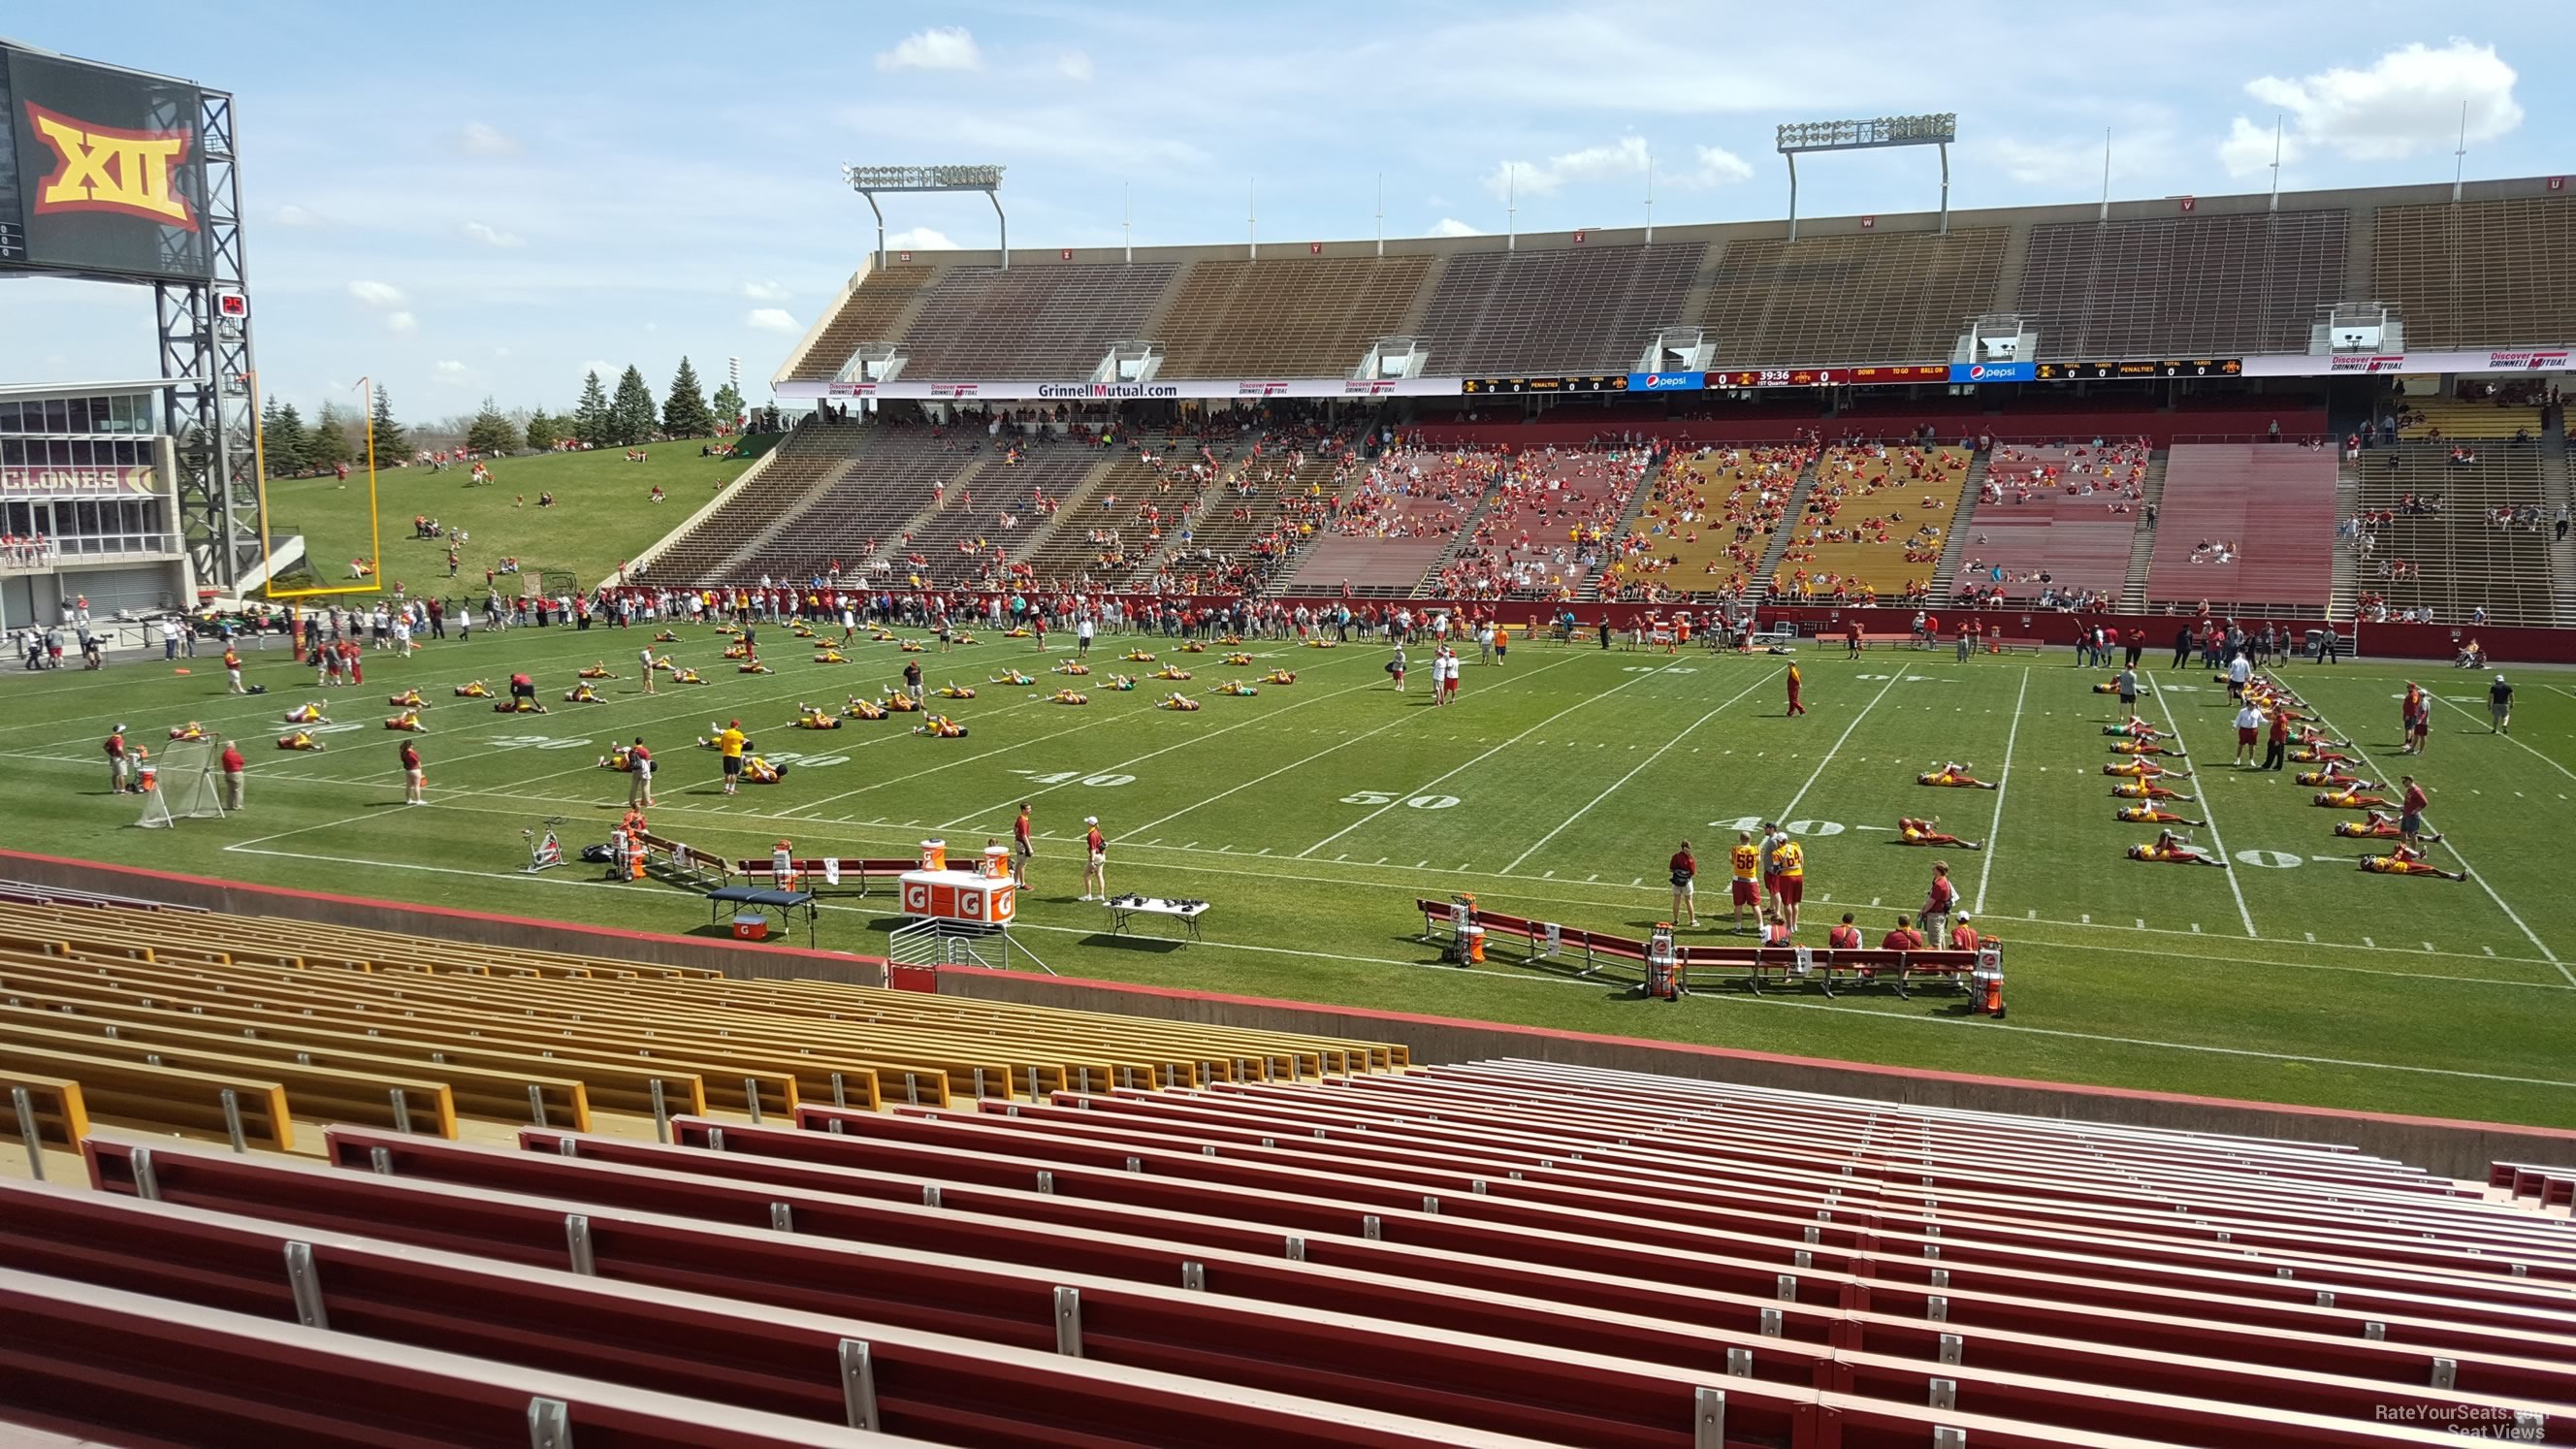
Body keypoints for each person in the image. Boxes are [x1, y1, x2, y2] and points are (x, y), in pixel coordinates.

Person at [2360, 843, 2465, 880]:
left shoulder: (2378, 862)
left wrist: (2398, 849)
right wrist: (2400, 851)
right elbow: (2393, 861)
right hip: (2406, 867)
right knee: (2432, 869)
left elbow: (2390, 858)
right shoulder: (2379, 865)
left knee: (2398, 846)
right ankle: (2456, 877)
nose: (2370, 858)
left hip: (2401, 862)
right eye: (2368, 860)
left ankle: (2419, 855)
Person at [2129, 828, 2228, 867]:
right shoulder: (2146, 854)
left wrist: (2165, 836)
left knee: (2164, 834)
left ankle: (2185, 839)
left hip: (2164, 849)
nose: (2137, 846)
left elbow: (2157, 845)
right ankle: (2217, 864)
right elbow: (2161, 849)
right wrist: (2167, 837)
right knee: (2194, 856)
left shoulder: (2142, 849)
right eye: (2135, 848)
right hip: (2169, 855)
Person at [1727, 832, 1761, 933]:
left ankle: (1738, 928)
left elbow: (1732, 861)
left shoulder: (1735, 849)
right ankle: (1761, 928)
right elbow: (1758, 862)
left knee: (1738, 905)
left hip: (1738, 880)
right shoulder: (1756, 849)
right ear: (1750, 839)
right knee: (1755, 905)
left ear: (1740, 839)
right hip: (1751, 880)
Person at [1772, 831, 1806, 933]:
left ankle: (1789, 926)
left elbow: (1776, 870)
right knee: (1795, 902)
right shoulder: (1795, 845)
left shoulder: (1777, 853)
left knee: (1787, 903)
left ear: (1778, 842)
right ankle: (1795, 924)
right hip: (1799, 875)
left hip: (1787, 878)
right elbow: (1802, 860)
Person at [1920, 860, 1958, 940]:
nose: (1932, 870)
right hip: (1940, 914)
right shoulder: (1943, 880)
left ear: (1939, 871)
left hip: (1935, 916)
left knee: (1935, 942)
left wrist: (1924, 911)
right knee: (1940, 939)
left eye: (1934, 869)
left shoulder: (1939, 884)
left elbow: (1932, 901)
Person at [1668, 841, 1699, 928]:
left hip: (1676, 881)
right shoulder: (1690, 858)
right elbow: (1693, 872)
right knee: (1689, 901)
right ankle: (1692, 921)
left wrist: (1678, 871)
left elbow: (1671, 869)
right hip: (1686, 882)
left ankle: (1675, 920)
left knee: (1676, 900)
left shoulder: (1675, 856)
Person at [1898, 817, 1980, 849]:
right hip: (1929, 841)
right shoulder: (1911, 833)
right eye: (1910, 824)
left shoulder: (1908, 831)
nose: (1911, 824)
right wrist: (1927, 827)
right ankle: (1974, 846)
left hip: (1925, 837)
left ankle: (1932, 824)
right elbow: (1926, 837)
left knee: (1916, 821)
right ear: (1906, 826)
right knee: (1952, 839)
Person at [2398, 775, 2431, 849]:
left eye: (2404, 781)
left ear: (2409, 781)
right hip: (2406, 814)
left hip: (2412, 816)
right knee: (2403, 831)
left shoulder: (2416, 791)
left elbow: (2424, 802)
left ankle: (2413, 852)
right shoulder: (2409, 789)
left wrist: (2415, 811)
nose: (2403, 783)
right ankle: (2402, 848)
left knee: (2412, 834)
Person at [717, 719, 747, 796]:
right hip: (735, 755)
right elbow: (742, 742)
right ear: (736, 726)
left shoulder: (725, 734)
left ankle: (726, 788)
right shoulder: (739, 734)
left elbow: (721, 745)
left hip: (726, 755)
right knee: (734, 773)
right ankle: (732, 789)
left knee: (728, 773)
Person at [1080, 816, 1108, 901]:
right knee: (1099, 875)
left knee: (1086, 875)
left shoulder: (1092, 835)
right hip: (1102, 856)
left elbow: (1092, 849)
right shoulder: (1097, 831)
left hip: (1096, 857)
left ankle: (1088, 896)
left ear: (1090, 824)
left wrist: (1092, 861)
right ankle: (1101, 895)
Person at [105, 724, 133, 794]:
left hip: (113, 758)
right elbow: (119, 749)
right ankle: (123, 790)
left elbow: (105, 747)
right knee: (122, 775)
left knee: (115, 774)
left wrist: (111, 754)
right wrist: (123, 757)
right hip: (119, 759)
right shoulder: (119, 739)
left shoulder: (112, 738)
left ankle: (115, 789)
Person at [219, 739, 246, 811]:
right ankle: (238, 805)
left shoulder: (224, 754)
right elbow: (242, 761)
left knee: (230, 790)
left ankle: (229, 805)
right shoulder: (235, 754)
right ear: (232, 746)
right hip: (236, 773)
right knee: (238, 790)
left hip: (228, 773)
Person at [628, 737, 655, 808]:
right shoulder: (644, 750)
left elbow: (630, 759)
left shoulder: (632, 750)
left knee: (633, 787)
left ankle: (631, 802)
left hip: (635, 770)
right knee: (645, 786)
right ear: (642, 742)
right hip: (644, 769)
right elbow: (648, 760)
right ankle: (647, 802)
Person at [2262, 705, 2290, 772]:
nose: (2273, 711)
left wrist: (2278, 740)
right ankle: (2267, 764)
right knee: (2270, 752)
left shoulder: (2283, 720)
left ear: (2277, 711)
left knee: (2278, 753)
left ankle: (2277, 766)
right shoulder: (2278, 717)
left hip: (2277, 740)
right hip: (2273, 738)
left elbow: (2283, 731)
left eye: (2274, 710)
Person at [1013, 802, 1034, 888]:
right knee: (1022, 864)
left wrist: (1016, 836)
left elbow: (1015, 829)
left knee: (1020, 863)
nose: (1030, 810)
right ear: (1023, 810)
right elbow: (1024, 835)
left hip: (1019, 842)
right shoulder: (1022, 820)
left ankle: (1016, 882)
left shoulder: (1021, 817)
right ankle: (1022, 883)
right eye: (1028, 809)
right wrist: (1030, 848)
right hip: (1022, 844)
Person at [399, 738, 425, 805]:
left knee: (408, 786)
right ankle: (418, 800)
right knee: (417, 786)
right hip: (415, 770)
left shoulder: (403, 753)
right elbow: (418, 763)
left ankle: (408, 800)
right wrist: (422, 773)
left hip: (408, 771)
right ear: (410, 745)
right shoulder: (413, 753)